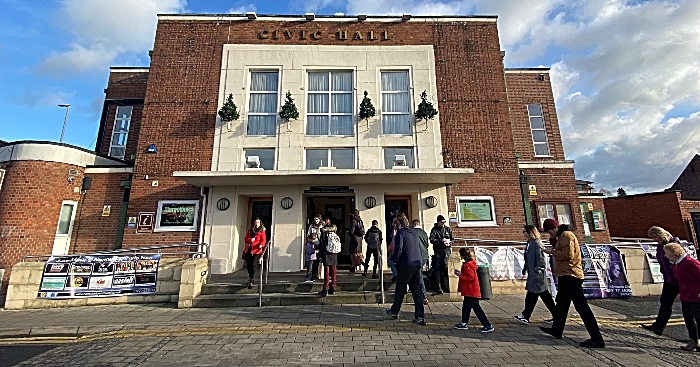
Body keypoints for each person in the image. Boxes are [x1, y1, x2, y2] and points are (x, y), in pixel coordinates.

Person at [540, 218, 605, 348]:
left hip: (571, 276)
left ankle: (597, 338)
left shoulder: (566, 235)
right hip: (566, 275)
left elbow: (568, 254)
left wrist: (551, 251)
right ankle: (557, 329)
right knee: (561, 305)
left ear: (554, 228)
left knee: (582, 307)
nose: (549, 235)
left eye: (549, 232)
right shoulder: (561, 236)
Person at [383, 215, 426, 325]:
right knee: (417, 291)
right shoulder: (414, 233)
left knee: (400, 288)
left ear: (400, 224)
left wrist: (394, 259)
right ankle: (420, 316)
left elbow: (399, 249)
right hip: (416, 263)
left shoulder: (401, 233)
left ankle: (394, 311)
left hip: (406, 264)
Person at [641, 226, 682, 336]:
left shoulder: (673, 244)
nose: (654, 239)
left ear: (661, 235)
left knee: (688, 307)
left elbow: (678, 260)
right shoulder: (660, 246)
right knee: (665, 302)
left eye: (655, 237)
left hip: (677, 278)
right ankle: (658, 326)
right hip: (669, 279)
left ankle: (694, 336)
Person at [514, 225, 556, 325]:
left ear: (530, 233)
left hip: (537, 275)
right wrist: (525, 268)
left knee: (532, 296)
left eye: (524, 231)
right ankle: (556, 315)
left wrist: (538, 270)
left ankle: (526, 316)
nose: (523, 233)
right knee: (544, 296)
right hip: (532, 273)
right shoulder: (529, 243)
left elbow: (540, 259)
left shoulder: (536, 244)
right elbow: (528, 258)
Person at [664, 242, 700, 351]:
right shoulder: (676, 264)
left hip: (696, 296)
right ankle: (693, 341)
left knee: (698, 319)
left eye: (667, 253)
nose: (665, 256)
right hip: (686, 296)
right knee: (688, 319)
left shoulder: (690, 263)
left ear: (674, 254)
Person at [453, 248, 494, 333]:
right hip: (470, 291)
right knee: (466, 307)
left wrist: (460, 275)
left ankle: (487, 325)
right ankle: (464, 323)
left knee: (477, 308)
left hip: (470, 290)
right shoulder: (471, 263)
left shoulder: (468, 265)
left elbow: (470, 277)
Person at [429, 214, 453, 295]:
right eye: (442, 222)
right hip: (438, 252)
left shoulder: (447, 229)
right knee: (437, 269)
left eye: (444, 222)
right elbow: (432, 240)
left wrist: (449, 243)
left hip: (446, 251)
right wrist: (440, 241)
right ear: (438, 222)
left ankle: (447, 285)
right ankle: (439, 287)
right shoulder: (434, 230)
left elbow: (452, 239)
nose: (443, 224)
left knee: (446, 268)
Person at [242, 217, 267, 289]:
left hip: (257, 250)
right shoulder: (250, 230)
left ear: (260, 223)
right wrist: (250, 239)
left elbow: (263, 240)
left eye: (258, 222)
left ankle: (251, 279)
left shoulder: (262, 231)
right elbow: (246, 239)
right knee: (249, 264)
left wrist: (261, 245)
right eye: (256, 222)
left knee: (253, 264)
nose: (257, 224)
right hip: (249, 250)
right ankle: (250, 277)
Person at [319, 217, 338, 297]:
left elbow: (322, 242)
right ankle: (333, 286)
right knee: (333, 270)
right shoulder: (335, 229)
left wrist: (320, 254)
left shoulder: (323, 230)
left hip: (326, 252)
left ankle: (325, 288)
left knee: (326, 270)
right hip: (334, 252)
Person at [412, 219, 430, 305]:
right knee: (417, 274)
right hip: (424, 256)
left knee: (419, 275)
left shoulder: (412, 232)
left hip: (416, 256)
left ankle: (424, 296)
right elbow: (427, 244)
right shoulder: (424, 233)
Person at [307, 214, 324, 281]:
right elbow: (308, 234)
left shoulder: (322, 226)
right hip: (313, 244)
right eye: (315, 220)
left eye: (317, 219)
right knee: (313, 260)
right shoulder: (312, 226)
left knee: (320, 259)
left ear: (320, 219)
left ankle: (319, 274)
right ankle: (312, 274)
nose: (316, 221)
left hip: (320, 244)